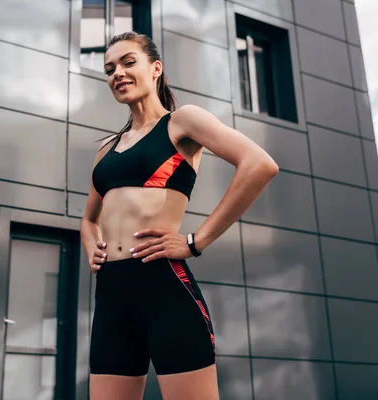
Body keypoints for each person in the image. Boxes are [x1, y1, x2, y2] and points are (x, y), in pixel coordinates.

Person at [80, 31, 279, 400]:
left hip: (164, 287)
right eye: (109, 69)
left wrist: (194, 241)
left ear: (155, 68)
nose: (117, 74)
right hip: (111, 297)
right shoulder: (106, 149)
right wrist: (92, 247)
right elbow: (88, 219)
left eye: (127, 62)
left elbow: (259, 164)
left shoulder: (181, 122)